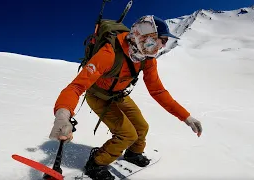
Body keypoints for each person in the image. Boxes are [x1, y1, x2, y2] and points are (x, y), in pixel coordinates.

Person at [49, 15, 203, 180]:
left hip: (119, 94)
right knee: (127, 134)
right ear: (144, 36)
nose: (162, 45)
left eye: (164, 41)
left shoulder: (147, 59)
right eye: (161, 40)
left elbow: (158, 91)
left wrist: (185, 116)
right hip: (98, 96)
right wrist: (63, 114)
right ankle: (96, 163)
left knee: (141, 127)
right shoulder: (109, 53)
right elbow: (76, 86)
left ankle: (133, 153)